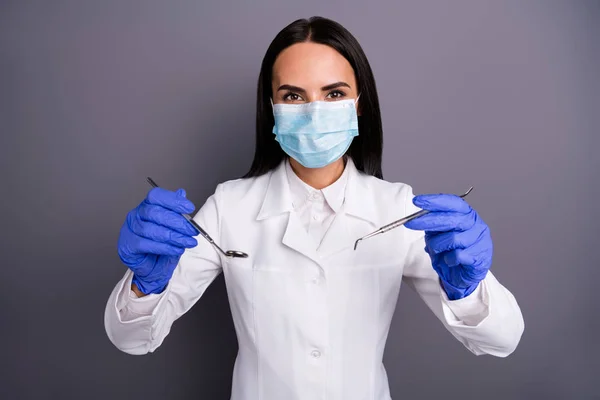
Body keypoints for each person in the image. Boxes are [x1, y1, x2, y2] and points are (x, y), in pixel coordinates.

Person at [104, 16, 524, 400]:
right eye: (293, 95)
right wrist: (145, 286)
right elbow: (133, 340)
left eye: (334, 93)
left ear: (359, 103)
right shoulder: (229, 207)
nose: (313, 112)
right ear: (272, 107)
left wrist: (468, 290)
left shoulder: (398, 209)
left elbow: (501, 341)